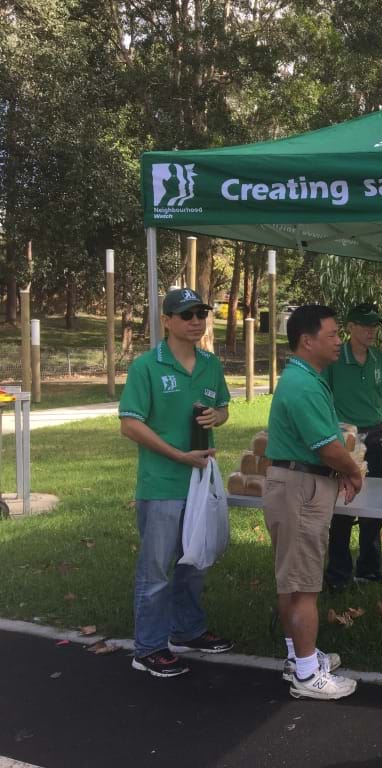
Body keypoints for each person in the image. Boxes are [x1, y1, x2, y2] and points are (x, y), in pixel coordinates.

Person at [119, 288, 233, 678]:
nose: (196, 321)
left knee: (195, 562)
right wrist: (176, 455)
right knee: (157, 570)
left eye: (201, 313)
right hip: (163, 483)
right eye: (186, 315)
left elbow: (223, 409)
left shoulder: (211, 365)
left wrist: (217, 417)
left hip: (200, 483)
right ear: (166, 320)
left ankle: (187, 630)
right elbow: (130, 424)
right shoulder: (147, 367)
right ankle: (148, 648)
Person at [263, 304, 365, 700]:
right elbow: (327, 447)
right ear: (307, 341)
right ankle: (307, 675)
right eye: (333, 335)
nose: (340, 340)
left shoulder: (305, 378)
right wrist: (353, 470)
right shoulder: (303, 385)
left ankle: (298, 656)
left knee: (292, 577)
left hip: (298, 484)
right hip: (301, 488)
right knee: (305, 584)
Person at [324, 302, 382, 589]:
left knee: (376, 507)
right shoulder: (333, 359)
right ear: (350, 327)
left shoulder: (377, 357)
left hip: (378, 436)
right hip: (347, 440)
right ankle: (339, 574)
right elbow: (323, 398)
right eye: (364, 325)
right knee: (342, 507)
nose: (371, 331)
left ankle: (370, 567)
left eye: (374, 325)